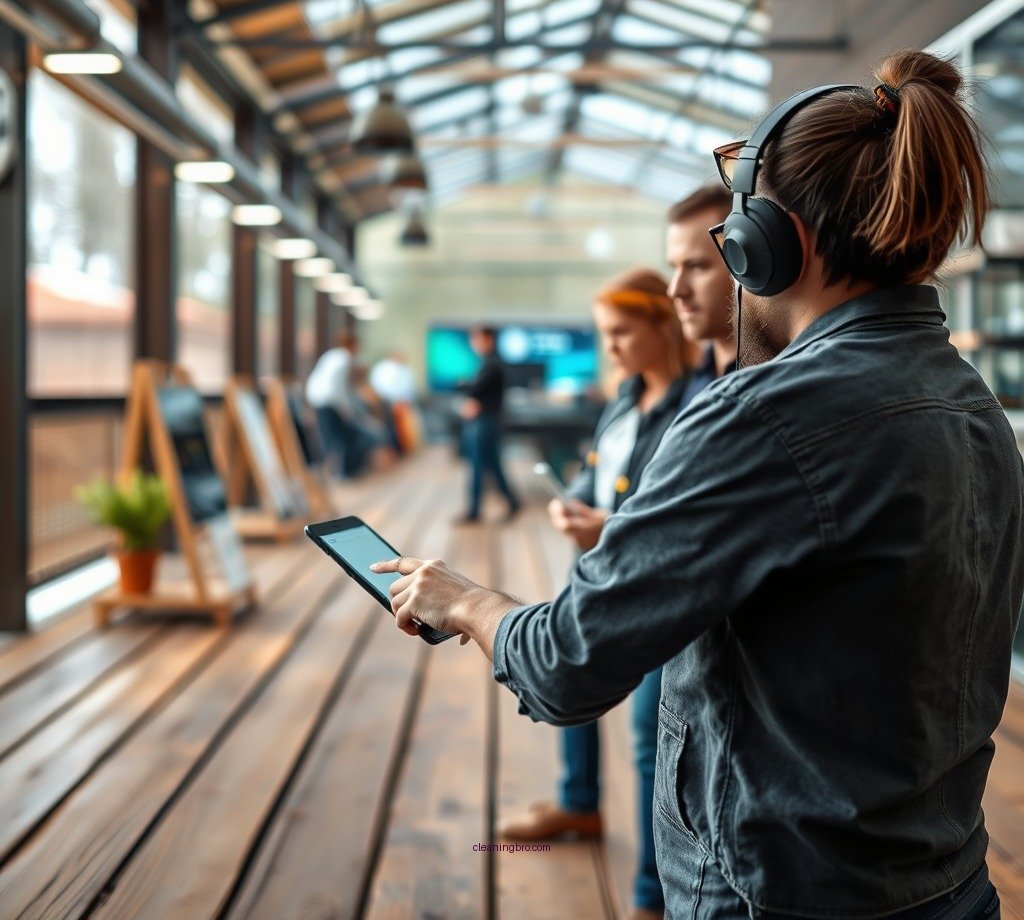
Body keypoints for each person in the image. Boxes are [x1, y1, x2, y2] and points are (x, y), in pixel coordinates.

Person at [372, 50, 1024, 920]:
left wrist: (465, 601)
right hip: (947, 885)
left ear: (768, 242)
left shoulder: (762, 415)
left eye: (733, 230)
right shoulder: (974, 405)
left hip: (776, 893)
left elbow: (565, 667)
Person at [500, 269, 696, 920]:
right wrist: (577, 507)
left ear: (662, 327)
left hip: (654, 592)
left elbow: (684, 521)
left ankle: (650, 895)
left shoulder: (700, 406)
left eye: (620, 333)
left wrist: (605, 526)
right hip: (596, 573)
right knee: (573, 688)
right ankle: (579, 804)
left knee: (649, 736)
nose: (609, 347)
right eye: (603, 334)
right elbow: (597, 476)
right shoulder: (626, 398)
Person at [665, 184, 738, 402]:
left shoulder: (774, 381)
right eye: (674, 268)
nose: (675, 290)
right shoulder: (697, 378)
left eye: (696, 266)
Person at [454, 325, 520, 523]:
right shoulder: (488, 363)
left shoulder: (491, 364)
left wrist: (463, 384)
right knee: (492, 465)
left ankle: (474, 511)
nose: (473, 344)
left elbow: (476, 389)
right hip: (487, 421)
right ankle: (512, 502)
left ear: (488, 339)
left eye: (477, 339)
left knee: (478, 466)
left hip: (486, 423)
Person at [305, 330, 386, 478]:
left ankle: (337, 473)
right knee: (341, 439)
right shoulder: (345, 358)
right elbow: (339, 388)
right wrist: (346, 410)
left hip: (317, 399)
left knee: (331, 439)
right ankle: (343, 473)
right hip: (329, 401)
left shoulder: (331, 355)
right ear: (352, 344)